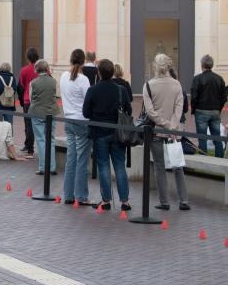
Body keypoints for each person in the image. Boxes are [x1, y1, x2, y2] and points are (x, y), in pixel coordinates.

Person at [83, 59, 132, 211]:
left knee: (103, 166)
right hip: (118, 133)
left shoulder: (93, 90)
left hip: (99, 133)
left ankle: (106, 200)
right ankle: (124, 201)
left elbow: (85, 112)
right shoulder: (120, 90)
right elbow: (129, 111)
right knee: (119, 166)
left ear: (99, 73)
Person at [144, 54, 190, 211]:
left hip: (157, 131)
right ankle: (183, 200)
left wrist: (163, 124)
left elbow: (150, 112)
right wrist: (172, 125)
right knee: (178, 165)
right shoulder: (177, 85)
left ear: (155, 66)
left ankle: (164, 202)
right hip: (173, 132)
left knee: (159, 166)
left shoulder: (149, 85)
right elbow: (179, 110)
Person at [59, 49, 92, 206]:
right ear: (83, 61)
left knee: (70, 159)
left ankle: (68, 194)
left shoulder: (64, 76)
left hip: (68, 120)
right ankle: (81, 195)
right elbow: (88, 101)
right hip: (82, 121)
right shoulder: (83, 79)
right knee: (82, 160)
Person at [190, 54, 226, 158]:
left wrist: (194, 109)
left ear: (202, 65)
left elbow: (194, 96)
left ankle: (203, 159)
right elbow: (224, 97)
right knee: (217, 138)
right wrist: (218, 108)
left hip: (201, 111)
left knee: (202, 138)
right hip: (215, 111)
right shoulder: (219, 79)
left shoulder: (198, 78)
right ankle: (219, 160)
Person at [29, 60, 60, 175]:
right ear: (47, 69)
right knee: (51, 139)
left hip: (37, 112)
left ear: (36, 69)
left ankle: (43, 167)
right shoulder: (53, 81)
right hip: (51, 112)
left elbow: (32, 99)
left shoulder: (33, 82)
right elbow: (55, 95)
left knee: (41, 140)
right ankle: (52, 167)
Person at [18, 48, 39, 158]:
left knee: (28, 125)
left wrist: (21, 100)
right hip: (39, 100)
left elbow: (21, 86)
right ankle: (33, 146)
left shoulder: (24, 70)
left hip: (28, 100)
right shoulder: (42, 69)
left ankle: (29, 148)